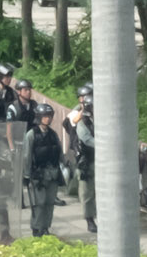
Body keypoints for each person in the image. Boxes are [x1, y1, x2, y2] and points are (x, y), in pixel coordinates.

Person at [26, 104, 64, 239]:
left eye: (49, 116)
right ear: (39, 117)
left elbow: (59, 152)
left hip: (53, 173)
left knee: (49, 203)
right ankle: (36, 229)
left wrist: (64, 164)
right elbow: (27, 156)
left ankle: (46, 228)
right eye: (45, 116)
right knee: (39, 204)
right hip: (38, 175)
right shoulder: (31, 135)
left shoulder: (53, 134)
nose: (48, 119)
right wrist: (26, 175)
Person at [65, 92, 97, 232]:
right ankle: (89, 220)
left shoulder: (100, 119)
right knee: (87, 193)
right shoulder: (82, 122)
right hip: (86, 161)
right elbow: (87, 140)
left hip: (99, 159)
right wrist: (106, 145)